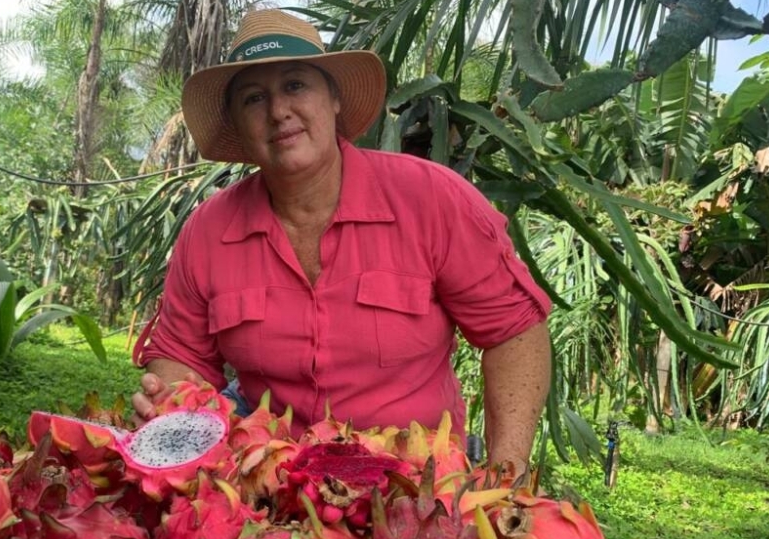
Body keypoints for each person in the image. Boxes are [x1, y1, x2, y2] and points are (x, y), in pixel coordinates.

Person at [131, 9, 552, 472]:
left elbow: (513, 331)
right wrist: (170, 401)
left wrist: (505, 474)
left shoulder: (433, 200)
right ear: (238, 125)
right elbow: (182, 358)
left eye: (295, 85)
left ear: (333, 98)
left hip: (417, 489)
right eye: (254, 98)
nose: (278, 111)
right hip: (267, 485)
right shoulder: (207, 232)